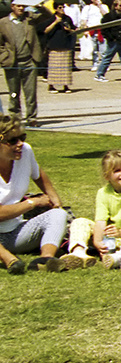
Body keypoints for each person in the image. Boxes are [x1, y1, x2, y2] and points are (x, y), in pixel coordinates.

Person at [58, 149, 121, 271]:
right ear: (107, 176)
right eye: (117, 171)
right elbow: (100, 221)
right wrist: (98, 242)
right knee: (80, 222)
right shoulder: (103, 193)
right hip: (111, 239)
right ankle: (79, 253)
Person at [0, 116, 68, 274]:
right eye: (13, 140)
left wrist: (54, 198)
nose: (20, 144)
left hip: (15, 232)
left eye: (22, 138)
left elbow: (38, 174)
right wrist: (32, 203)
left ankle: (45, 259)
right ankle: (10, 260)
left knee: (58, 215)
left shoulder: (26, 152)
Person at [0, 0, 42, 123]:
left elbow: (46, 17)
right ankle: (15, 116)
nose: (21, 8)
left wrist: (38, 6)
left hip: (29, 61)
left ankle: (32, 117)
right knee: (13, 93)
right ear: (12, 6)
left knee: (30, 92)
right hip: (12, 63)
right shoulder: (3, 23)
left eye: (23, 6)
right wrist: (3, 57)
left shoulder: (29, 20)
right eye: (19, 6)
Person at [93, 0, 121, 82]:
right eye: (120, 5)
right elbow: (104, 29)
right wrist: (111, 38)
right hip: (113, 41)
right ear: (115, 6)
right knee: (107, 58)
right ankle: (99, 75)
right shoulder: (109, 16)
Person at [42, 9, 77, 94]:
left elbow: (74, 29)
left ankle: (65, 85)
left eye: (63, 7)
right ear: (56, 9)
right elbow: (45, 31)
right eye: (60, 7)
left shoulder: (67, 19)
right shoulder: (51, 19)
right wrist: (55, 22)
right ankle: (51, 86)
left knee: (65, 67)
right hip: (54, 45)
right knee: (54, 67)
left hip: (65, 45)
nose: (62, 10)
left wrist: (69, 30)